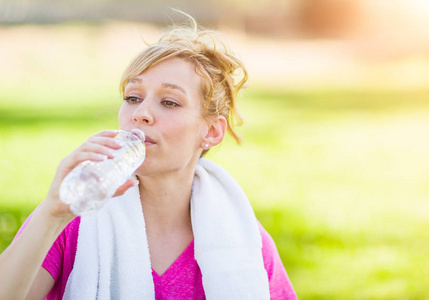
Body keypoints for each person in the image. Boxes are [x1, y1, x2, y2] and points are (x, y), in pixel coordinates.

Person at [0, 14, 297, 300]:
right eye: (133, 98)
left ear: (211, 131)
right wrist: (52, 214)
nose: (141, 114)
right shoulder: (71, 217)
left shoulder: (243, 240)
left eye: (169, 102)